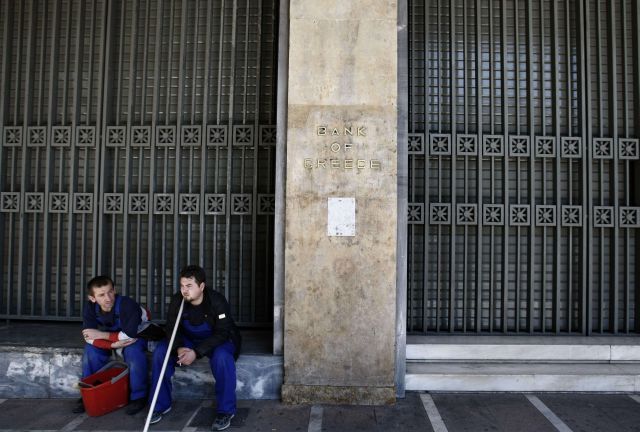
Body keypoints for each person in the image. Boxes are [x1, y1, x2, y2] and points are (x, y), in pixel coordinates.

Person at [148, 265, 241, 431]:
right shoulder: (178, 300)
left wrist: (196, 353)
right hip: (188, 339)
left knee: (222, 358)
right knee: (161, 352)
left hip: (217, 340)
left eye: (189, 286)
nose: (184, 290)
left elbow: (222, 332)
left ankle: (226, 411)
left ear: (202, 286)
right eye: (182, 286)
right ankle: (160, 405)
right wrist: (178, 348)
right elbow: (170, 328)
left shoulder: (217, 301)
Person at [74, 275, 148, 415]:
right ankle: (88, 393)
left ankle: (139, 396)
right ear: (93, 298)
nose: (108, 298)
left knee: (134, 352)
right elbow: (88, 336)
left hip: (137, 334)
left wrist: (103, 336)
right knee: (91, 351)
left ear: (114, 290)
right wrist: (112, 345)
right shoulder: (90, 307)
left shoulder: (127, 304)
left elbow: (130, 335)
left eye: (110, 292)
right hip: (115, 338)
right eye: (101, 295)